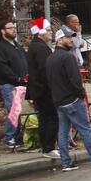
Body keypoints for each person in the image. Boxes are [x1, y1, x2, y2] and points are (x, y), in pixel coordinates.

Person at [46, 29, 91, 171]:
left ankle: (66, 162)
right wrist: (81, 94)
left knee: (63, 131)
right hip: (72, 99)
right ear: (59, 40)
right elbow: (75, 79)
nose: (71, 40)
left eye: (71, 37)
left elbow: (49, 80)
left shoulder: (50, 58)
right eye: (68, 37)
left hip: (59, 100)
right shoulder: (68, 57)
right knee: (85, 129)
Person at [26, 18, 59, 158]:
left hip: (39, 89)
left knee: (45, 118)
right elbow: (46, 70)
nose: (51, 33)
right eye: (49, 30)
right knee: (51, 118)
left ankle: (46, 146)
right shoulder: (41, 48)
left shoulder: (35, 46)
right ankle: (48, 147)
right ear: (41, 32)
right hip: (45, 90)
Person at [0, 19, 28, 148]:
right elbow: (2, 67)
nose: (14, 29)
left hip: (22, 83)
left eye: (14, 27)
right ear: (3, 31)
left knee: (21, 110)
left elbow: (25, 60)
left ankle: (18, 136)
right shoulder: (0, 47)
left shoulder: (17, 45)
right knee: (13, 110)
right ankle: (9, 137)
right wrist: (16, 78)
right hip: (9, 84)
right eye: (10, 28)